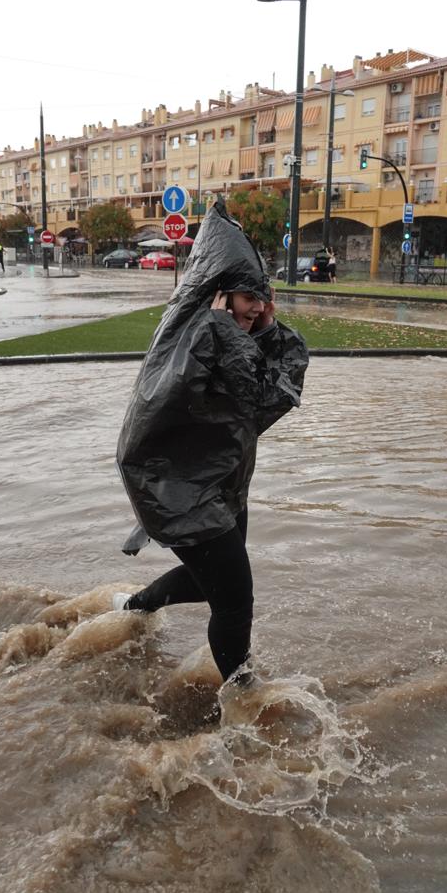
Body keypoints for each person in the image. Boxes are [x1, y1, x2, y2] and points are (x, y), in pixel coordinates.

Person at [115, 202, 309, 685]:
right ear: (220, 295)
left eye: (264, 296)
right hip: (175, 488)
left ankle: (134, 608)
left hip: (215, 482)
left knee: (212, 585)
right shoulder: (199, 336)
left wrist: (263, 328)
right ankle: (242, 697)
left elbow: (278, 392)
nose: (259, 307)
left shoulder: (224, 332)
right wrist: (231, 328)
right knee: (234, 599)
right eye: (249, 297)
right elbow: (248, 392)